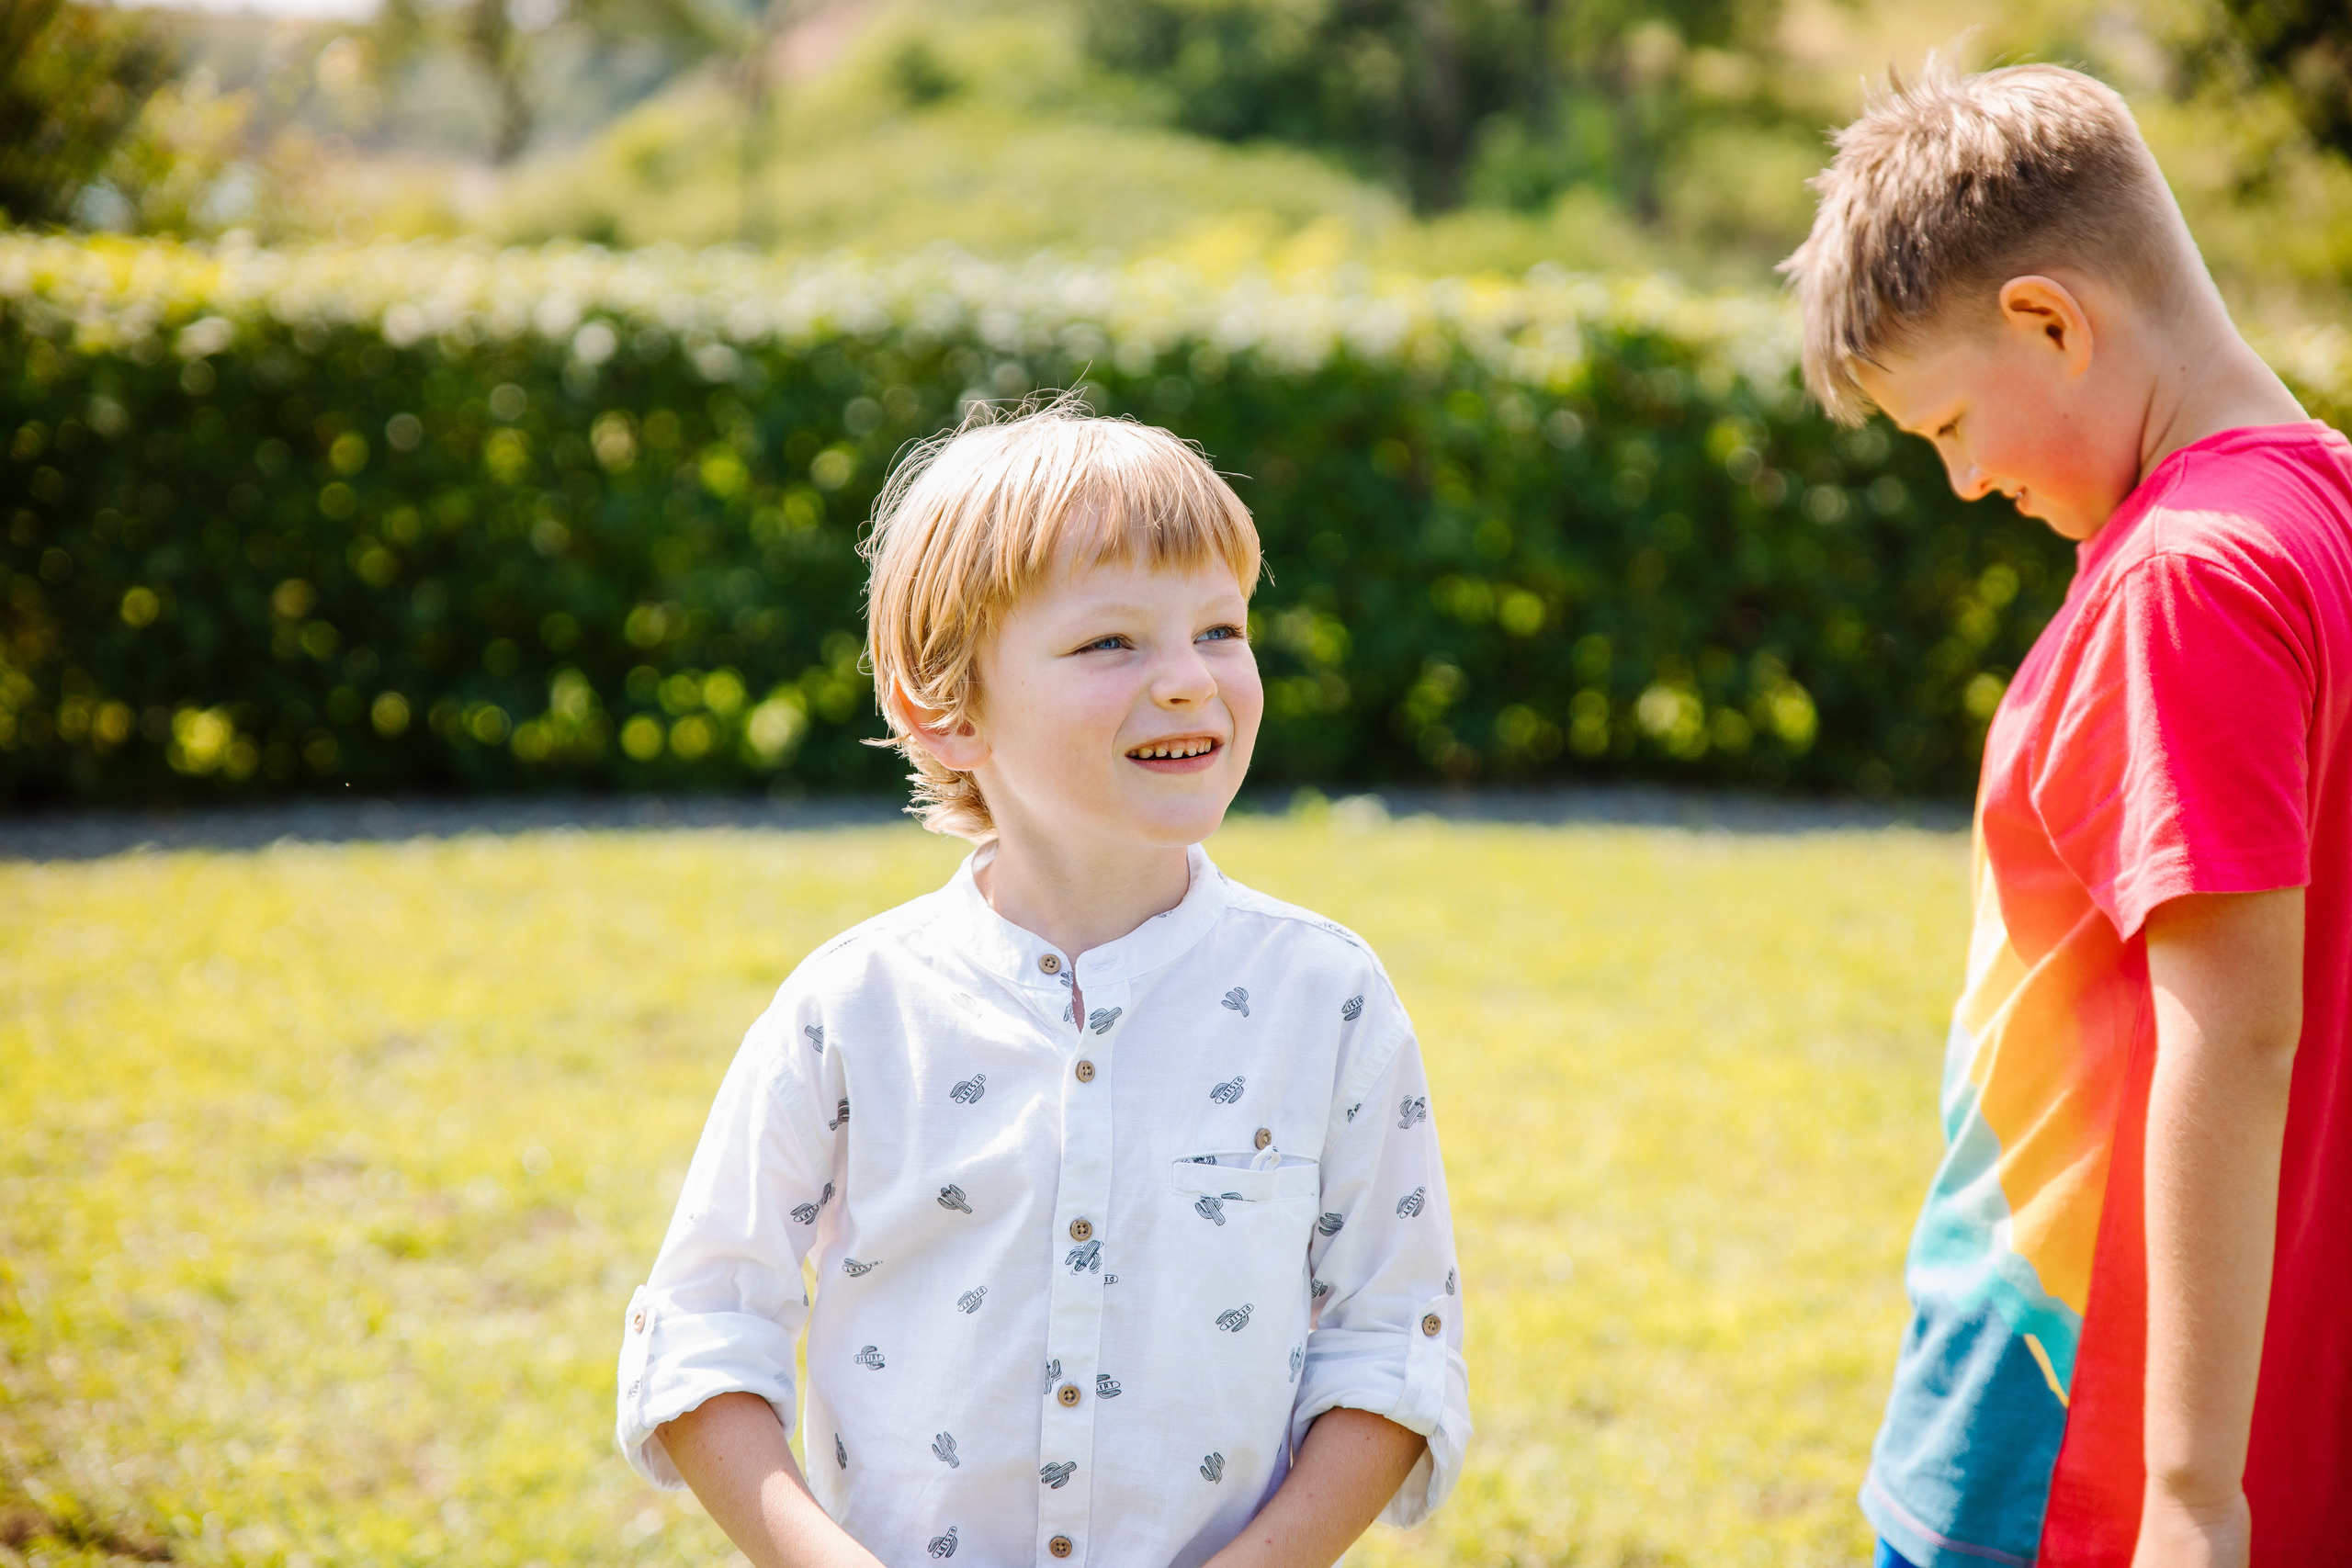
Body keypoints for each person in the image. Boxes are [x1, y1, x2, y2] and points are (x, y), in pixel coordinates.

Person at [613, 401, 1469, 1568]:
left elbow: (1390, 1341)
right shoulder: (850, 1010)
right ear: (944, 709)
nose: (1188, 680)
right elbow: (705, 1332)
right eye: (1111, 642)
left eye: (1219, 629)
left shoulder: (1327, 999)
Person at [1780, 58, 2351, 1568]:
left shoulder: (2191, 576)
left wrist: (2185, 1491)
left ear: (2050, 319)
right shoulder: (2320, 516)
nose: (1963, 481)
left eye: (1953, 424)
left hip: (2069, 1447)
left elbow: (2235, 1030)